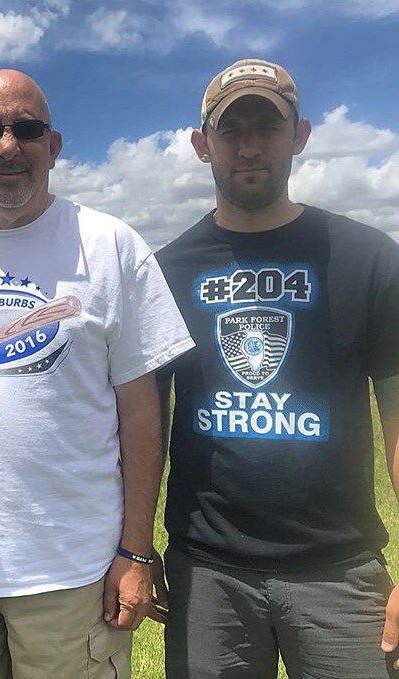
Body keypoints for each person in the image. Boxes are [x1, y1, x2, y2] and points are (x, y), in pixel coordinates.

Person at [0, 69, 193, 678]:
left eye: (26, 129)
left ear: (53, 146)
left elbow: (142, 411)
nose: (7, 146)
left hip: (71, 569)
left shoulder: (111, 246)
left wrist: (135, 548)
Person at [155, 58, 399, 678]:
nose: (249, 146)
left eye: (268, 126)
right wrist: (131, 548)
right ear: (201, 144)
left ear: (301, 135)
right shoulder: (164, 270)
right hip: (207, 569)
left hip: (339, 568)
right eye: (231, 130)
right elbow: (142, 429)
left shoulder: (368, 258)